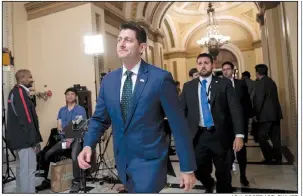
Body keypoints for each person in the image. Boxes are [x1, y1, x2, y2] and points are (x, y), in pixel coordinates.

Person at [78, 22, 197, 193]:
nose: (121, 43)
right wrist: (88, 145)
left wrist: (186, 167)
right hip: (123, 161)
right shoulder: (109, 81)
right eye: (119, 39)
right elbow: (99, 119)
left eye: (128, 40)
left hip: (150, 161)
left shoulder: (160, 78)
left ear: (142, 47)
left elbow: (178, 125)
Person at [180, 53, 244, 193]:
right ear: (197, 65)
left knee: (223, 173)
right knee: (199, 170)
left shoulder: (224, 83)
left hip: (220, 135)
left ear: (212, 65)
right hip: (199, 136)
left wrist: (239, 135)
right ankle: (209, 184)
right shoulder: (188, 86)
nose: (203, 66)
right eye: (200, 63)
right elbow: (181, 112)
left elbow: (235, 109)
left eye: (206, 63)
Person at [36, 87, 87, 193]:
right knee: (48, 153)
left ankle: (76, 182)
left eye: (72, 94)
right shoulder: (61, 110)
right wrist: (63, 133)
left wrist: (68, 135)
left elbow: (78, 127)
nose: (70, 96)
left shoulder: (80, 110)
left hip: (76, 139)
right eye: (68, 94)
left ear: (76, 96)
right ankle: (47, 179)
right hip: (64, 139)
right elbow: (59, 125)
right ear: (65, 96)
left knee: (74, 157)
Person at [6, 69, 43, 193]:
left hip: (19, 140)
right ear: (22, 78)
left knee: (21, 169)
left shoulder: (14, 92)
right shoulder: (20, 93)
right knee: (28, 171)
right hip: (25, 141)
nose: (32, 79)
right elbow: (27, 119)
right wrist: (34, 141)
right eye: (30, 77)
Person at [222, 61, 253, 186]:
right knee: (227, 150)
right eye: (223, 69)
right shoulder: (219, 84)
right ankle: (227, 174)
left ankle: (243, 175)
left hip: (240, 122)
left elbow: (246, 101)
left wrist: (249, 117)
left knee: (241, 150)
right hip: (225, 124)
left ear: (233, 70)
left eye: (228, 69)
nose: (225, 71)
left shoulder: (241, 84)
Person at [253, 64, 283, 164]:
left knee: (260, 136)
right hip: (275, 114)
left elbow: (259, 100)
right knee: (275, 138)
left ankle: (270, 156)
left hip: (266, 116)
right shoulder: (271, 81)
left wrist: (256, 114)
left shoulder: (261, 83)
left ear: (257, 72)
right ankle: (278, 158)